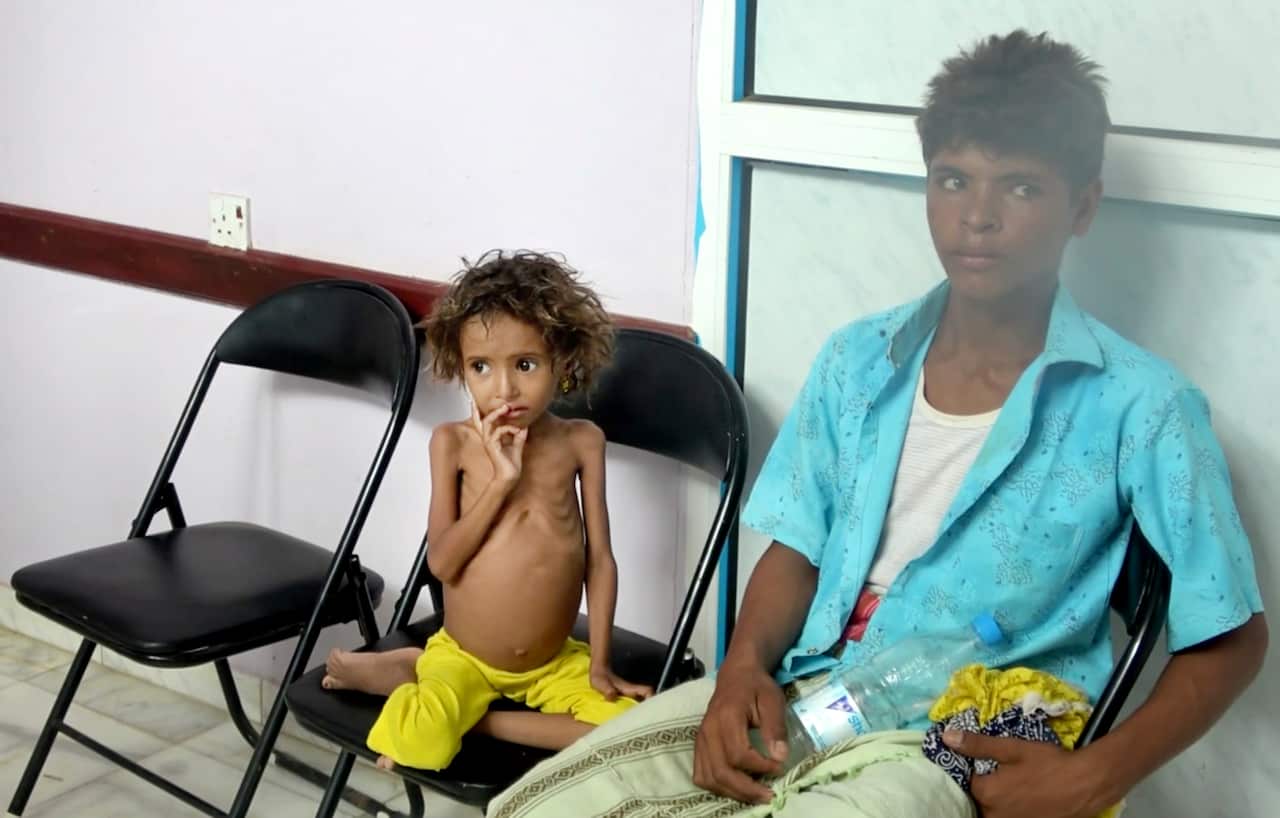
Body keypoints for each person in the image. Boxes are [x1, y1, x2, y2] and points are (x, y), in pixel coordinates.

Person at [485, 30, 1268, 818]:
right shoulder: (858, 361)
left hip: (967, 728)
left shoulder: (1143, 406)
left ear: (1083, 206)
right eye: (954, 180)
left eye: (1022, 188)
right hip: (806, 687)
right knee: (541, 805)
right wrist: (740, 670)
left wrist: (1100, 773)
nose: (979, 217)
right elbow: (796, 549)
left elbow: (1230, 634)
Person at [322, 250, 653, 772]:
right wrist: (502, 482)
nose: (504, 389)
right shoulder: (450, 443)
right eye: (481, 367)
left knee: (629, 729)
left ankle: (465, 712)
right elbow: (444, 565)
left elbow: (600, 561)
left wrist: (601, 664)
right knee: (422, 746)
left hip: (551, 663)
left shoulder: (581, 442)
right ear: (461, 367)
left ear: (561, 361)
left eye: (525, 365)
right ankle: (426, 677)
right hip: (466, 656)